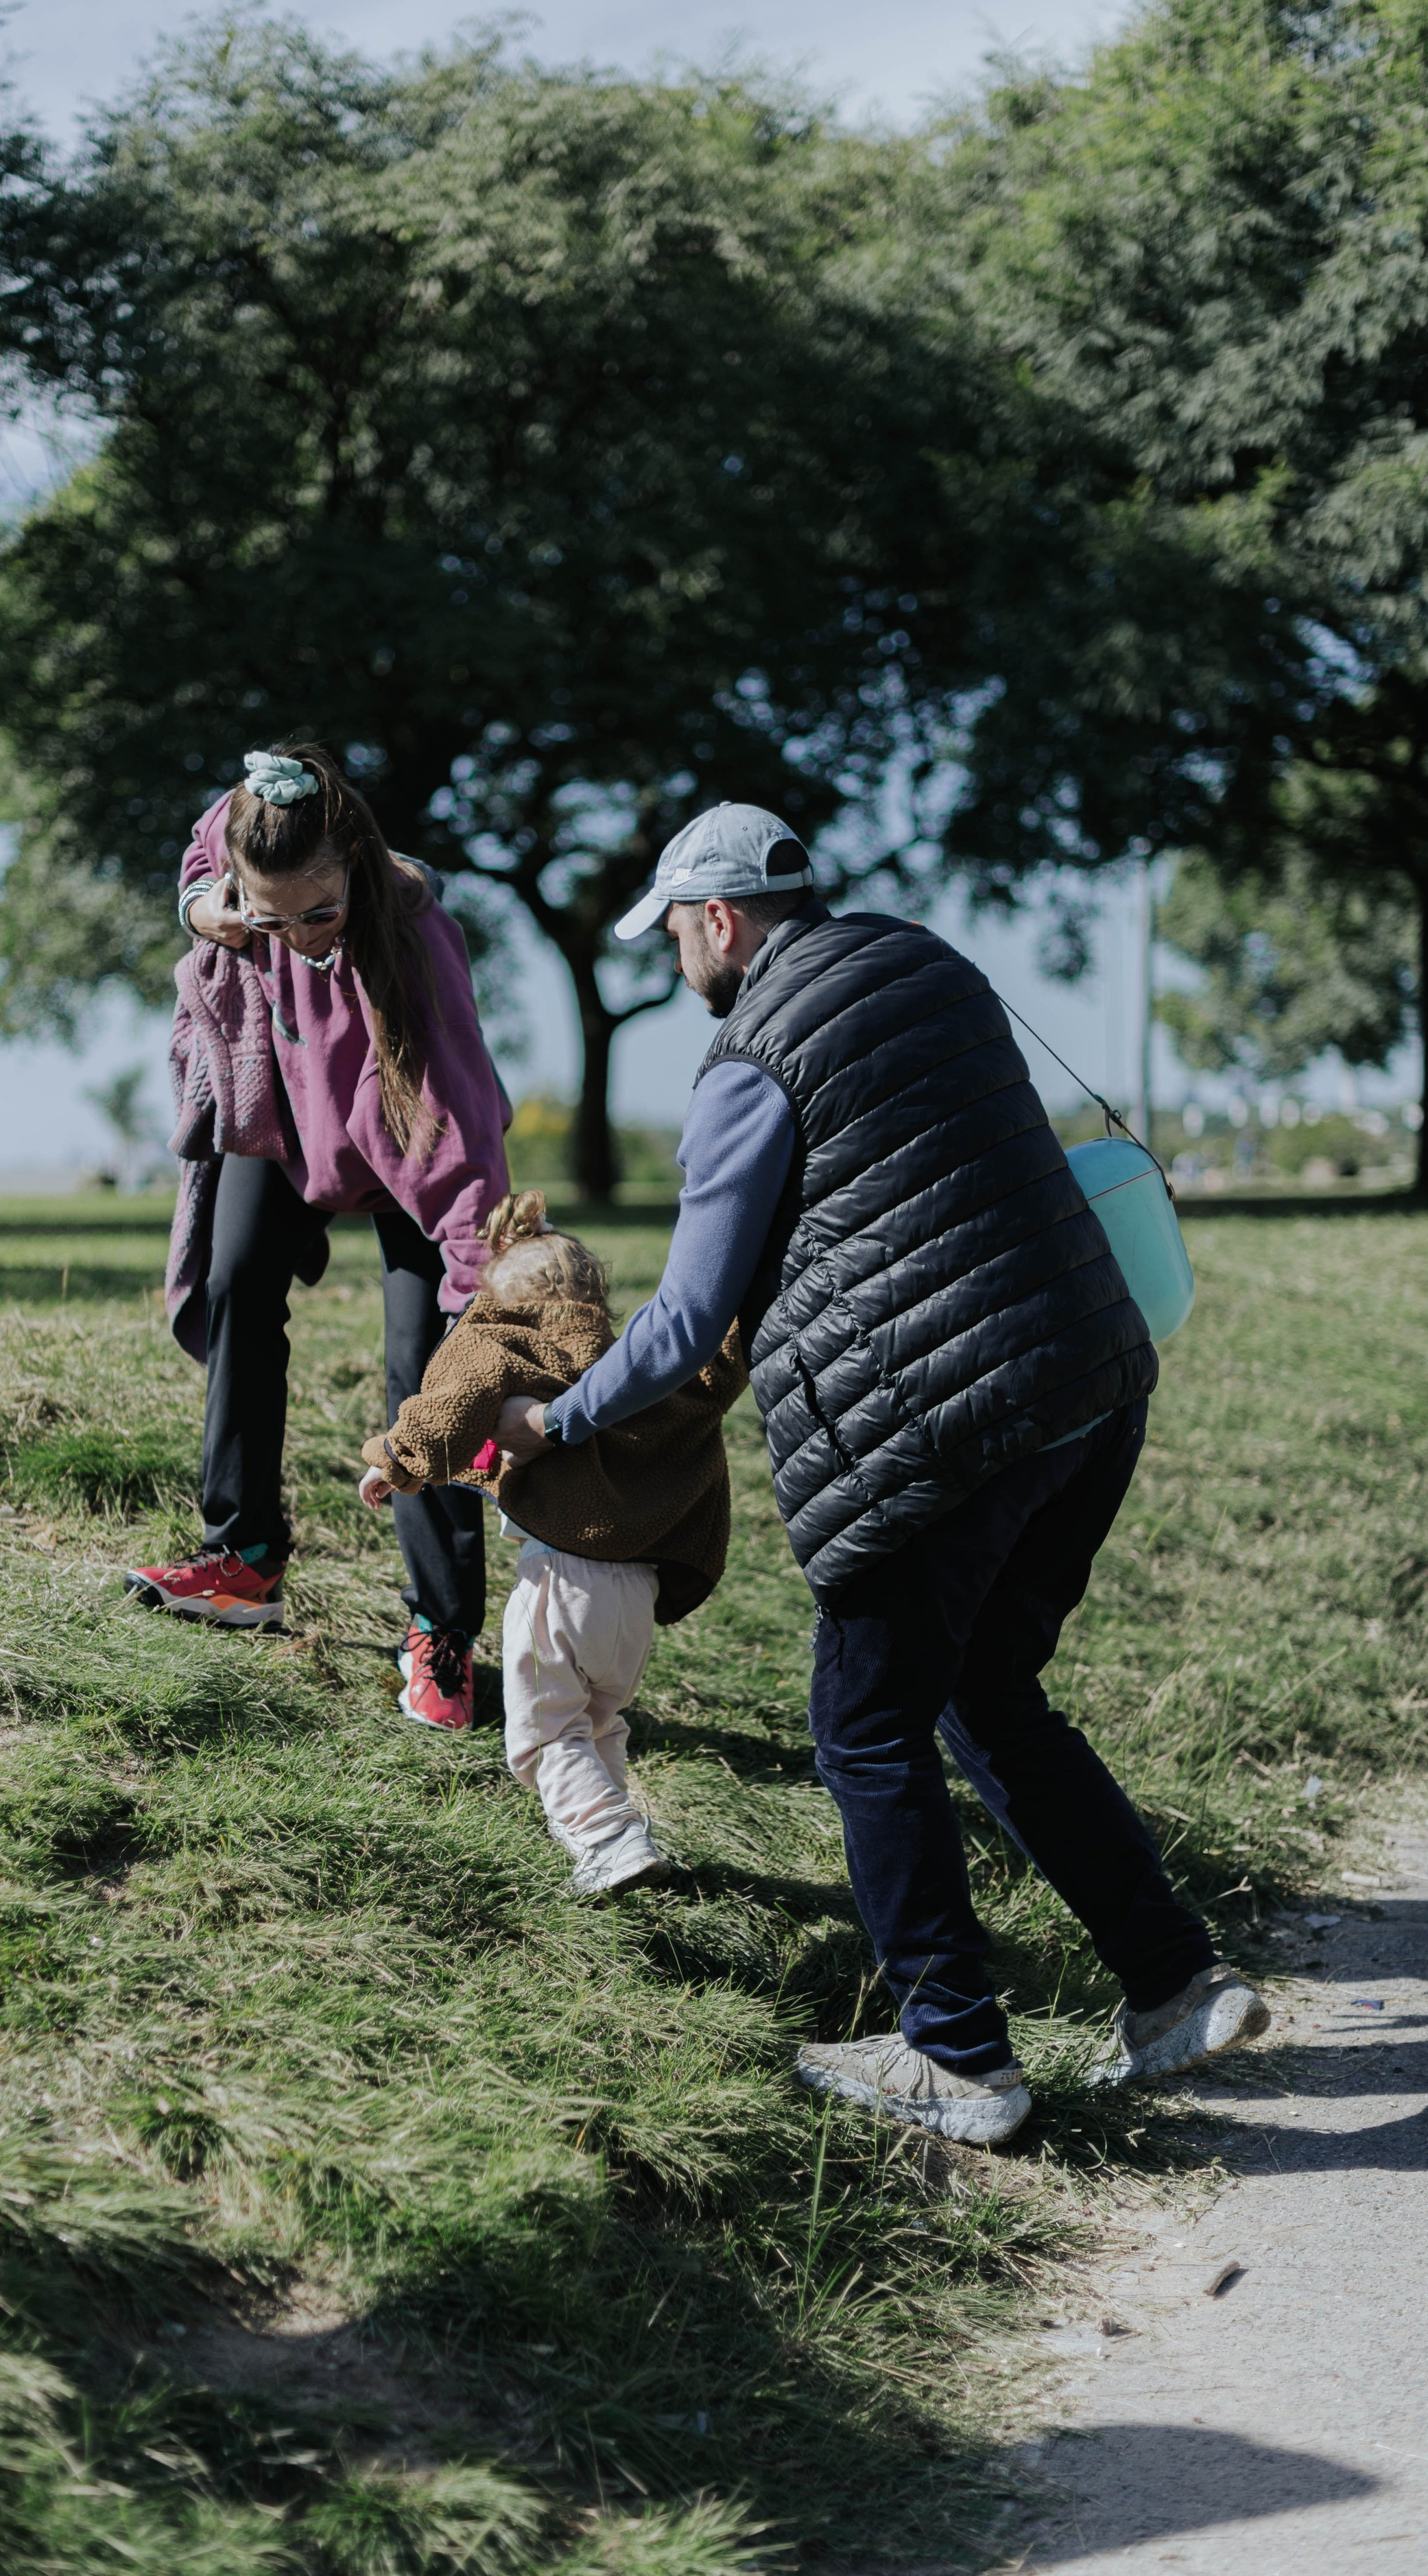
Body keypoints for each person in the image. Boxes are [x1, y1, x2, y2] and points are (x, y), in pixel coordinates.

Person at [495, 803, 1268, 2147]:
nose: (676, 961)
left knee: (862, 1723)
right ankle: (1172, 1986)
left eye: (675, 933)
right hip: (1088, 1380)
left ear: (720, 922)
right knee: (987, 1690)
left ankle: (955, 2054)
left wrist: (555, 1421)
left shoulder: (746, 1064)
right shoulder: (931, 969)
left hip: (937, 1431)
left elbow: (682, 1321)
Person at [128, 745, 510, 1731]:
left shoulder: (414, 951)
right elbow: (203, 857)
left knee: (424, 1369)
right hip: (290, 1123)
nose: (294, 937)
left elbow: (462, 1147)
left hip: (410, 1144)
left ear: (357, 867)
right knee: (236, 1280)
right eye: (271, 916)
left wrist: (481, 1314)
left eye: (318, 912)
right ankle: (243, 1559)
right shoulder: (245, 857)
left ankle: (443, 1630)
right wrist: (208, 913)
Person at [357, 1190, 746, 1889]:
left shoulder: (500, 1340)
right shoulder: (641, 1367)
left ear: (500, 1296)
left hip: (561, 1582)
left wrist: (395, 1460)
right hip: (637, 1593)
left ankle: (608, 1841)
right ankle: (620, 1837)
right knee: (598, 1722)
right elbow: (717, 1364)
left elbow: (447, 1405)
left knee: (543, 1735)